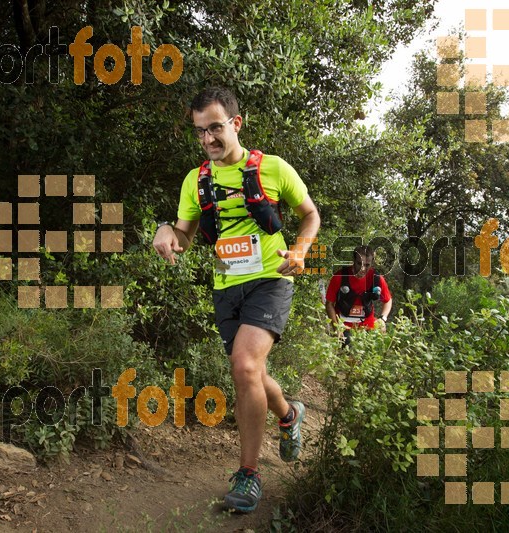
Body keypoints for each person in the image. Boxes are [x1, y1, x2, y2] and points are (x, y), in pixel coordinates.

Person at [152, 87, 320, 513]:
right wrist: (167, 233)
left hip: (271, 278)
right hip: (227, 285)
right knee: (252, 372)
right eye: (200, 132)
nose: (208, 139)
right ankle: (289, 414)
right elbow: (186, 236)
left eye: (215, 128)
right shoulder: (196, 180)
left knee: (244, 365)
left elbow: (310, 215)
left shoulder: (274, 168)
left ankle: (248, 474)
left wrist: (299, 251)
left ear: (235, 124)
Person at [325, 245, 392, 346]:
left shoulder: (376, 279)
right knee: (350, 357)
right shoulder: (339, 277)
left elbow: (388, 300)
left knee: (373, 356)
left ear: (372, 263)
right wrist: (336, 326)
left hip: (368, 326)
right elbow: (329, 304)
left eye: (367, 264)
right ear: (353, 260)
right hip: (344, 326)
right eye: (359, 263)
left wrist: (383, 319)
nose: (362, 269)